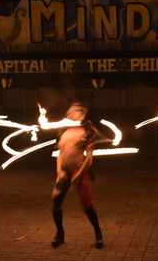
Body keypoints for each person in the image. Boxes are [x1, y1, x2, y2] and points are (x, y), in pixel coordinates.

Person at [51, 102, 103, 249]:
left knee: (87, 205)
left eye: (81, 112)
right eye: (75, 112)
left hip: (80, 170)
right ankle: (60, 234)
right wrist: (59, 171)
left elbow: (89, 158)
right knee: (56, 203)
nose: (78, 114)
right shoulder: (62, 131)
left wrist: (79, 175)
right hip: (65, 171)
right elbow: (59, 153)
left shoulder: (88, 131)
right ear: (69, 114)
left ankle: (98, 233)